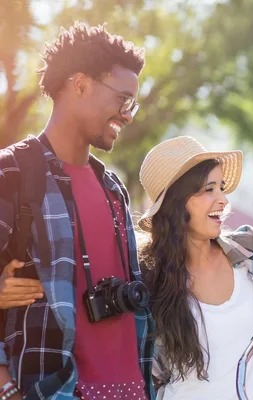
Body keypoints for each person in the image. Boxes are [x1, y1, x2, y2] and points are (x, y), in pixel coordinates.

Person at [0, 22, 154, 399]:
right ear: (81, 84)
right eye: (123, 99)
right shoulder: (13, 173)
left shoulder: (114, 189)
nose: (129, 115)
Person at [137, 136, 253, 400]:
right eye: (209, 189)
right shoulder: (148, 283)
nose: (223, 200)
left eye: (222, 187)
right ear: (176, 202)